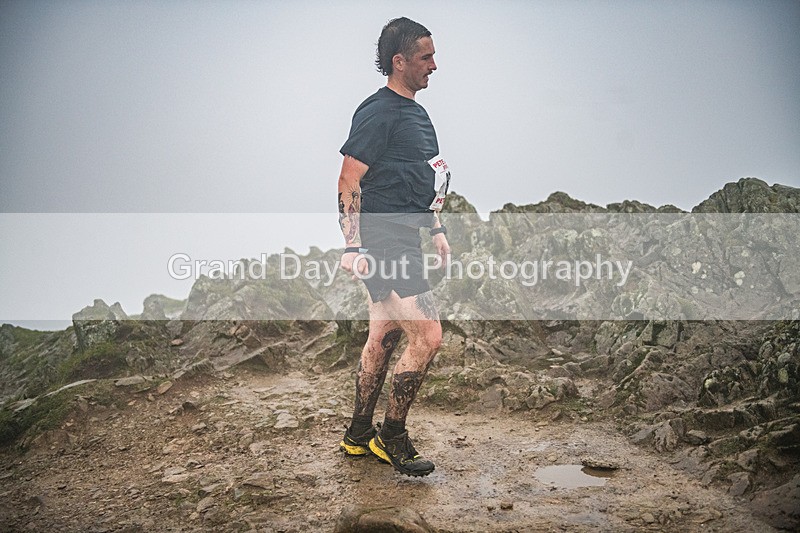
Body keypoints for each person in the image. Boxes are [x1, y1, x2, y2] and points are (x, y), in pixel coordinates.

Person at [336, 17, 451, 477]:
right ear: (399, 61)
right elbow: (349, 178)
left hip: (406, 234)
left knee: (383, 335)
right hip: (382, 237)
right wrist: (352, 245)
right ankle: (393, 436)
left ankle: (359, 434)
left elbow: (422, 179)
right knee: (429, 335)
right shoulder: (378, 110)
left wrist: (437, 228)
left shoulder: (418, 115)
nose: (435, 65)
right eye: (426, 57)